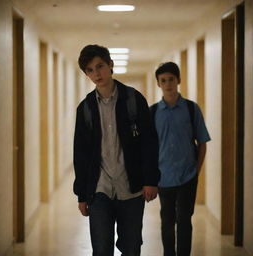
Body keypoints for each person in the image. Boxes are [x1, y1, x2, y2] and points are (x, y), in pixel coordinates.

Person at [73, 44, 160, 256]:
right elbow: (81, 154)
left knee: (131, 248)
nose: (96, 74)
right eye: (90, 70)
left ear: (111, 65)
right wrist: (82, 195)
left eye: (100, 66)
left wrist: (151, 180)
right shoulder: (85, 109)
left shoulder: (133, 99)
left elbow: (149, 142)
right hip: (99, 189)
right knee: (101, 249)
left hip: (131, 187)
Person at [150, 62, 211, 256]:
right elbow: (148, 148)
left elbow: (202, 142)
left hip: (188, 176)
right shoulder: (152, 113)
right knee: (167, 220)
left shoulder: (192, 109)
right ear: (158, 84)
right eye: (163, 80)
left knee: (184, 220)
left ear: (178, 80)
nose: (168, 84)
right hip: (163, 177)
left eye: (171, 79)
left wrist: (196, 171)